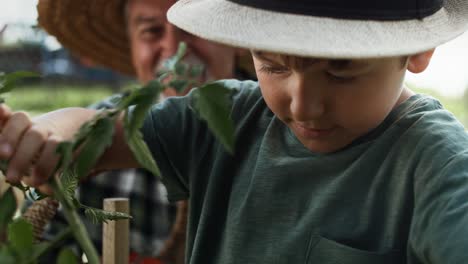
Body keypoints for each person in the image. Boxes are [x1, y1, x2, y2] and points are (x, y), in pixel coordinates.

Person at [3, 0, 468, 263]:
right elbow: (95, 129)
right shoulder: (229, 119)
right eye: (274, 64)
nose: (303, 103)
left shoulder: (436, 166)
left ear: (419, 50)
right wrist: (45, 136)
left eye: (341, 71)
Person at [36, 0, 254, 262]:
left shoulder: (292, 126)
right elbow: (35, 244)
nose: (174, 50)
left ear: (235, 36)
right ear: (132, 45)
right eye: (152, 30)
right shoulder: (97, 137)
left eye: (192, 27)